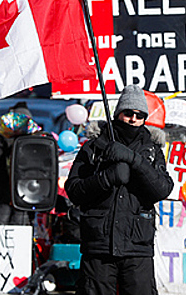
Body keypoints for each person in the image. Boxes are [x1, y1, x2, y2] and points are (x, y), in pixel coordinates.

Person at [65, 85, 174, 295]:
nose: (133, 119)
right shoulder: (95, 146)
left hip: (137, 246)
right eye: (128, 113)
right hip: (99, 245)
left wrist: (134, 161)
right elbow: (74, 190)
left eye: (139, 115)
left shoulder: (151, 149)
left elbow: (162, 189)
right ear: (118, 114)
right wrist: (106, 178)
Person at [0, 101, 40, 225]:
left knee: (0, 216)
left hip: (4, 179)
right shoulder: (33, 128)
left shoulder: (6, 126)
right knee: (21, 216)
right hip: (27, 182)